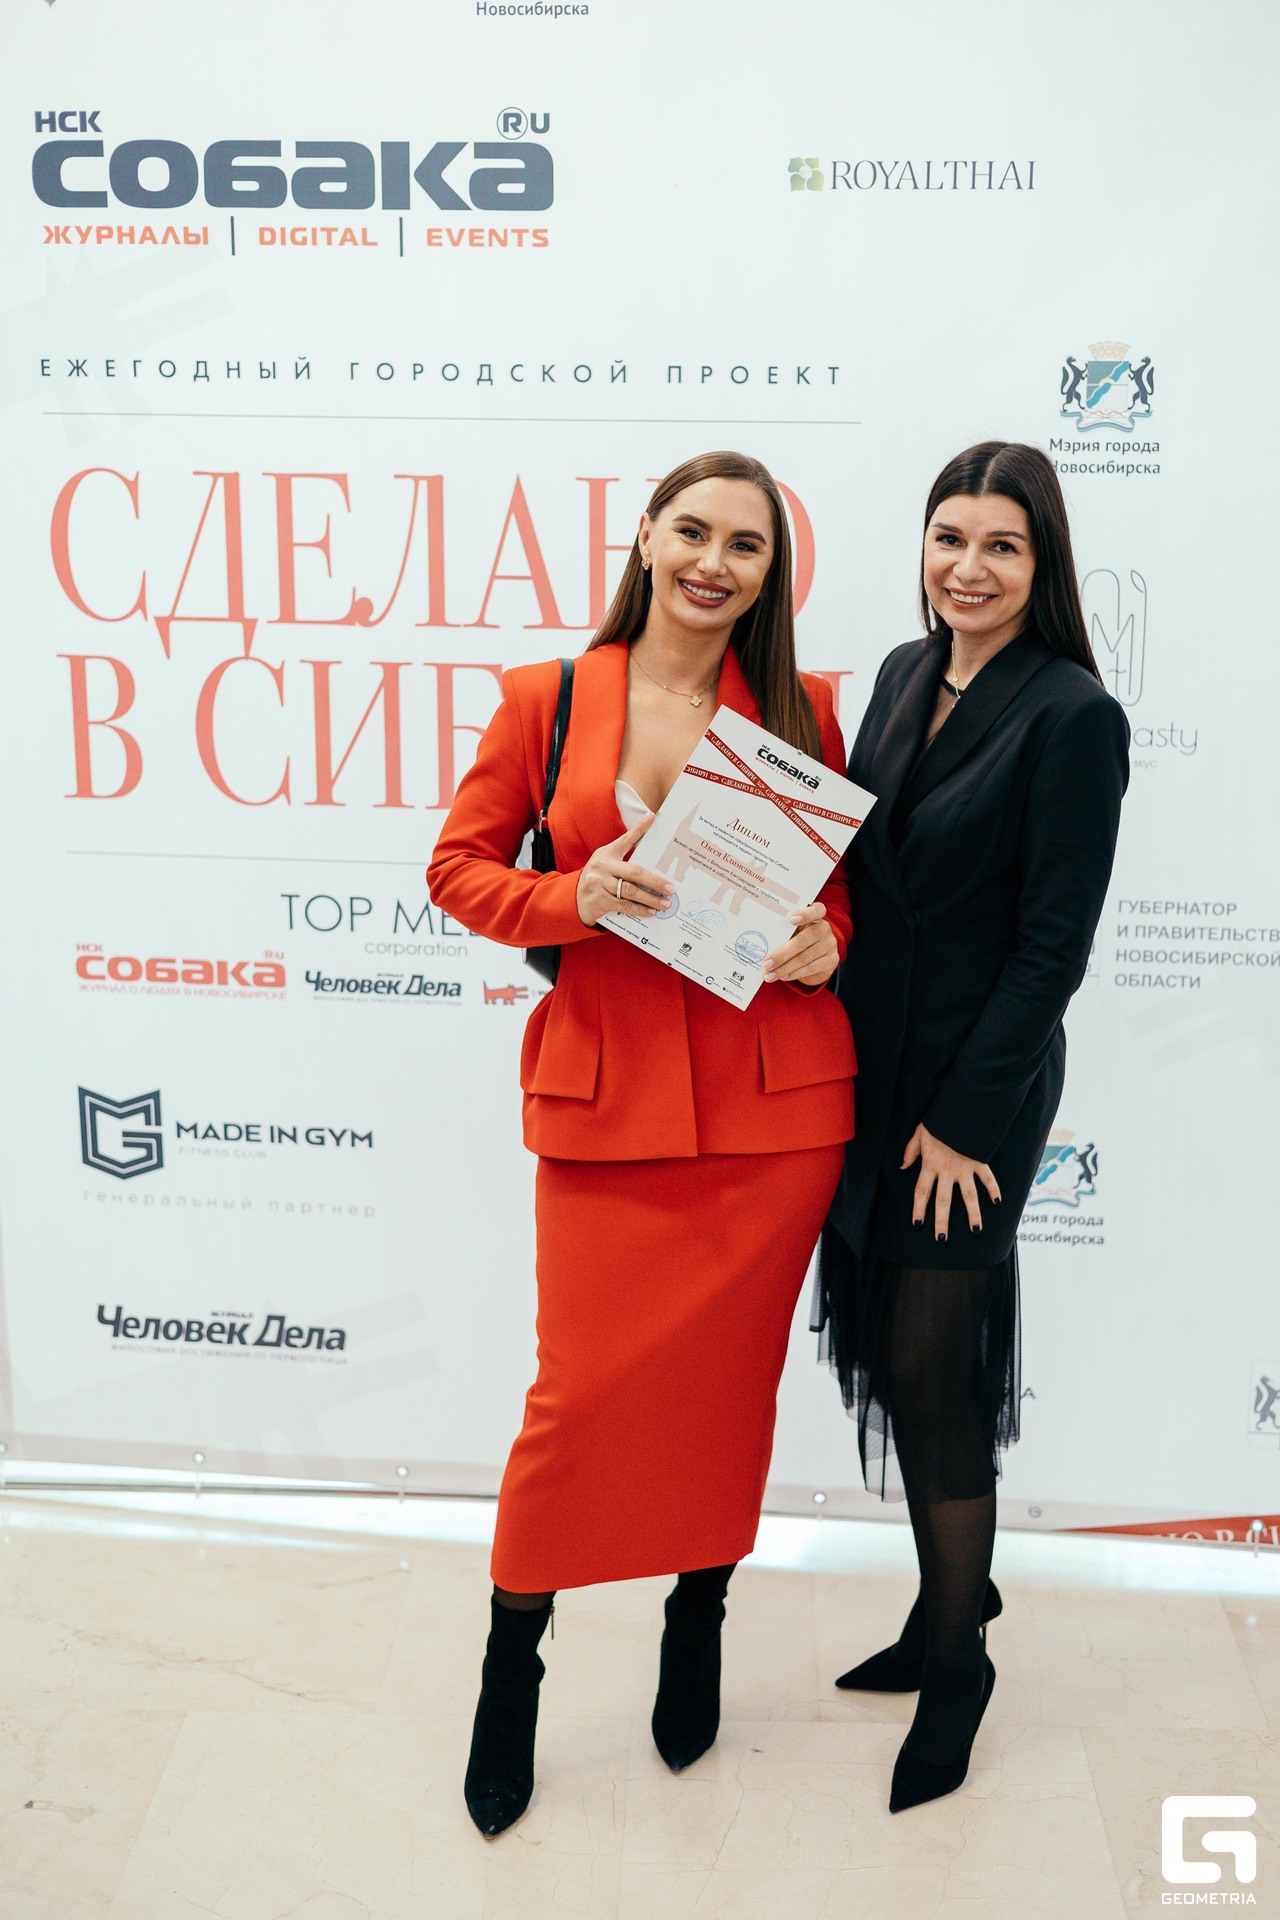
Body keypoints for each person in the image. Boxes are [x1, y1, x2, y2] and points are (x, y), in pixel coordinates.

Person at [428, 451, 855, 1837]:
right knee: (576, 1403)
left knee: (727, 1395)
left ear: (770, 572)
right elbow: (457, 872)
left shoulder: (805, 710)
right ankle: (512, 1669)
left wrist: (824, 943)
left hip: (772, 1114)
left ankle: (697, 1620)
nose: (714, 562)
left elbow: (842, 901)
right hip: (608, 1108)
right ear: (649, 539)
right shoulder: (546, 698)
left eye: (747, 544)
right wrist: (575, 896)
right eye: (694, 532)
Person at [813, 441, 1129, 1813]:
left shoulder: (1072, 716)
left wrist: (962, 1123)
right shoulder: (901, 671)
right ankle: (953, 1600)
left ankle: (958, 1668)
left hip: (972, 1098)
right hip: (863, 1073)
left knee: (938, 1381)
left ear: (1042, 563)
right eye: (951, 537)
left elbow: (1053, 950)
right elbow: (855, 869)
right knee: (886, 1350)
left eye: (1003, 544)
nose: (970, 567)